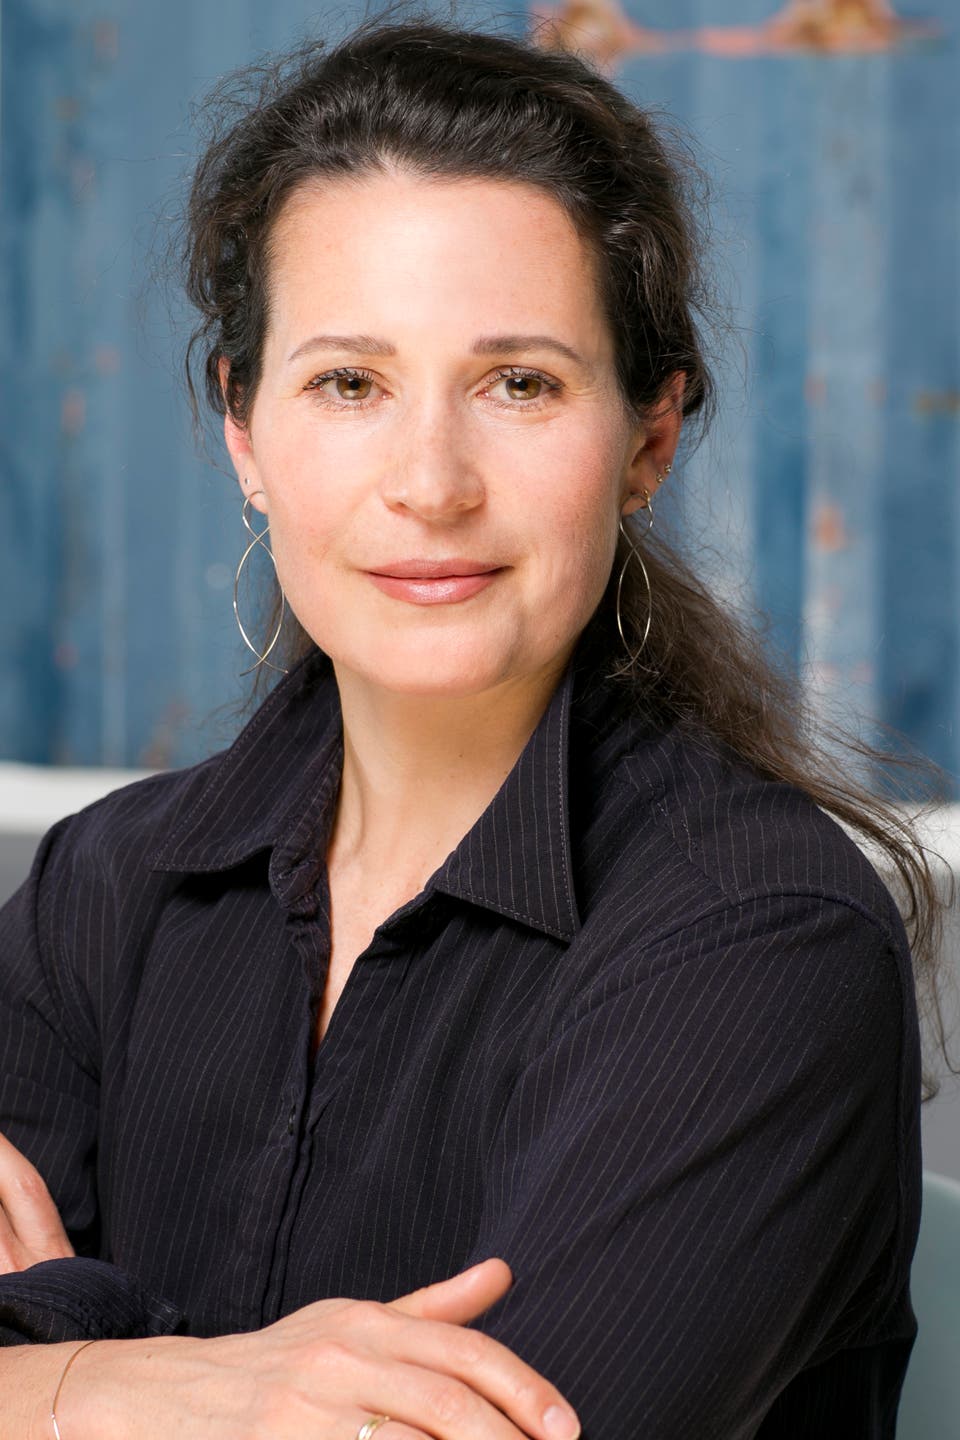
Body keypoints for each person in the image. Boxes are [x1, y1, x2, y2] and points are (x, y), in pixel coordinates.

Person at [0, 11, 948, 1438]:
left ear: (647, 440)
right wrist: (129, 1386)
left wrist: (50, 1362)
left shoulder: (764, 941)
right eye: (350, 383)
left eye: (520, 384)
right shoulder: (100, 889)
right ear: (244, 431)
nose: (431, 483)